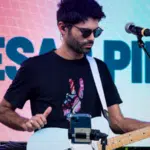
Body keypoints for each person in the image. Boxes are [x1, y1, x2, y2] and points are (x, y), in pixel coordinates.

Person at [0, 0, 150, 135]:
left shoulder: (99, 68)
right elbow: (3, 110)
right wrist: (24, 123)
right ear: (63, 28)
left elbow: (117, 122)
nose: (91, 38)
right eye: (85, 32)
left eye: (96, 32)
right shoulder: (34, 67)